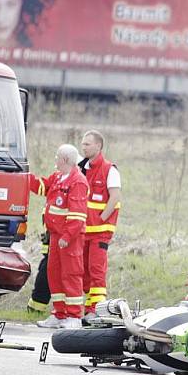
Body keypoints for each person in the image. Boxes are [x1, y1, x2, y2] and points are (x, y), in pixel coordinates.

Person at [29, 144, 89, 328]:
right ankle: (59, 313)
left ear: (64, 160)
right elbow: (42, 187)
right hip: (55, 235)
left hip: (69, 238)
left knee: (71, 274)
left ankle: (73, 316)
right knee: (54, 274)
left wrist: (67, 235)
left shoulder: (77, 181)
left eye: (57, 157)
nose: (54, 160)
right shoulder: (58, 177)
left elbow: (77, 215)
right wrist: (25, 176)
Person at [77, 130, 121, 323]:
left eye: (87, 144)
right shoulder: (81, 168)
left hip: (100, 232)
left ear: (98, 146)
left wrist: (101, 218)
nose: (83, 147)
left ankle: (98, 310)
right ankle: (89, 309)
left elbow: (115, 197)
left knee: (96, 271)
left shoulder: (109, 169)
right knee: (84, 273)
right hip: (83, 231)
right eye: (83, 144)